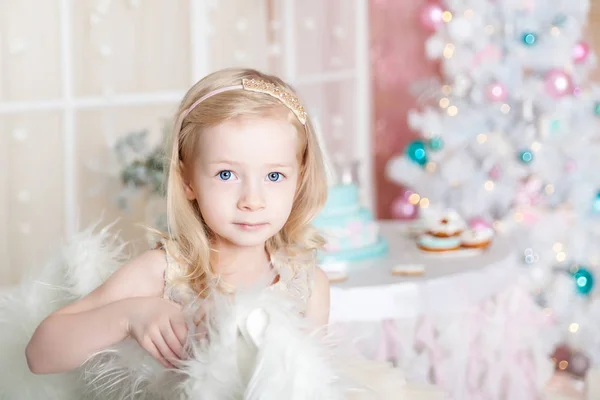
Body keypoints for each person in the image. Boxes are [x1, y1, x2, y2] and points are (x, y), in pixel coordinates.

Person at [25, 68, 444, 399]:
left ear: (299, 180)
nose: (252, 199)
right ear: (188, 180)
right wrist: (128, 315)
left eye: (274, 175)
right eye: (227, 174)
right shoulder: (165, 272)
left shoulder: (305, 286)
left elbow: (306, 386)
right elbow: (39, 353)